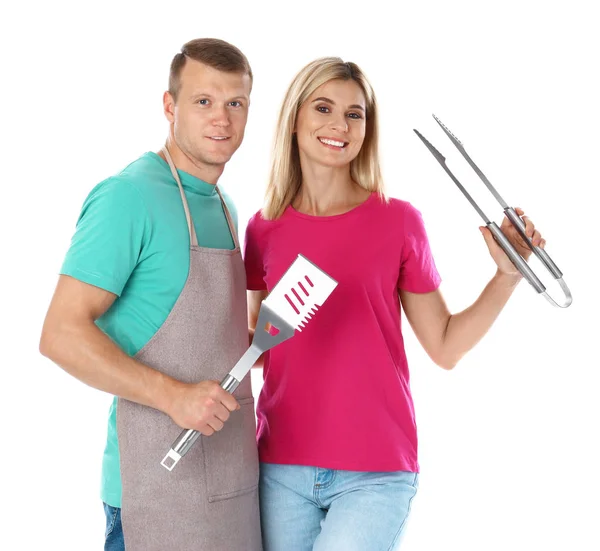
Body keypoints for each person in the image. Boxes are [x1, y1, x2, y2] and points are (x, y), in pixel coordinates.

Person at [243, 57, 547, 551]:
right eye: (323, 108)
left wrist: (506, 276)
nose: (339, 125)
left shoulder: (398, 221)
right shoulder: (263, 228)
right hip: (280, 466)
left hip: (376, 471)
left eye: (355, 114)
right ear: (294, 118)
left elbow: (446, 347)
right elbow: (255, 345)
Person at [39, 38, 262, 551]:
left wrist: (268, 340)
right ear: (170, 106)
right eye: (203, 101)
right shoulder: (128, 195)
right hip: (154, 489)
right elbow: (60, 334)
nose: (221, 119)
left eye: (236, 103)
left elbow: (206, 335)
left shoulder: (225, 206)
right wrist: (173, 396)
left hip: (229, 486)